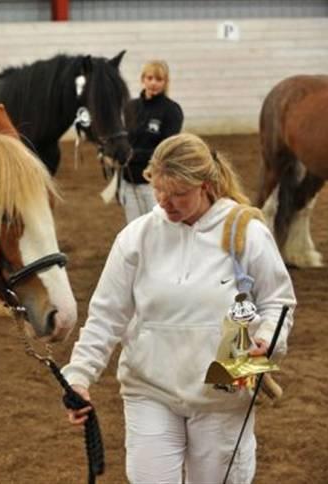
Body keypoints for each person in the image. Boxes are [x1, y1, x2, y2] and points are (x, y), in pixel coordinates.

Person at [62, 133, 296, 483]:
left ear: (205, 185)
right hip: (149, 389)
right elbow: (107, 314)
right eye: (159, 190)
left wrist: (267, 341)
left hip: (223, 395)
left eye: (177, 194)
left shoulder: (247, 232)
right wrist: (79, 375)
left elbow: (278, 301)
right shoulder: (136, 237)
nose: (164, 202)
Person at [120, 60, 183, 223]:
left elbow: (167, 149)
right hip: (129, 181)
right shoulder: (130, 107)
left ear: (165, 82)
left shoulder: (172, 110)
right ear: (143, 79)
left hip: (155, 184)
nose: (153, 83)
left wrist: (134, 155)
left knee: (159, 226)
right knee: (134, 227)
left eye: (159, 79)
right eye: (150, 78)